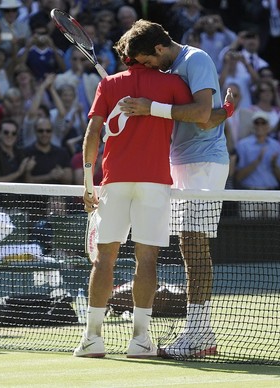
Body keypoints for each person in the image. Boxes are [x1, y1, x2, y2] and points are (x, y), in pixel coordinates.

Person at [119, 19, 233, 358]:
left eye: (146, 61)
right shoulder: (166, 71)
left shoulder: (196, 59)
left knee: (194, 245)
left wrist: (149, 107)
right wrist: (225, 111)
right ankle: (202, 333)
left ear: (158, 48)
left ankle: (198, 334)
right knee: (188, 245)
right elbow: (210, 115)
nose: (146, 68)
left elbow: (201, 114)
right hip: (179, 163)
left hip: (205, 163)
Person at [73, 39, 193, 359]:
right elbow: (199, 115)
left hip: (115, 182)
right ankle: (140, 339)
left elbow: (92, 134)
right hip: (154, 183)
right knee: (147, 260)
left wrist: (88, 183)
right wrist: (225, 110)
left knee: (104, 259)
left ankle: (92, 338)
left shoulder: (109, 84)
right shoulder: (172, 83)